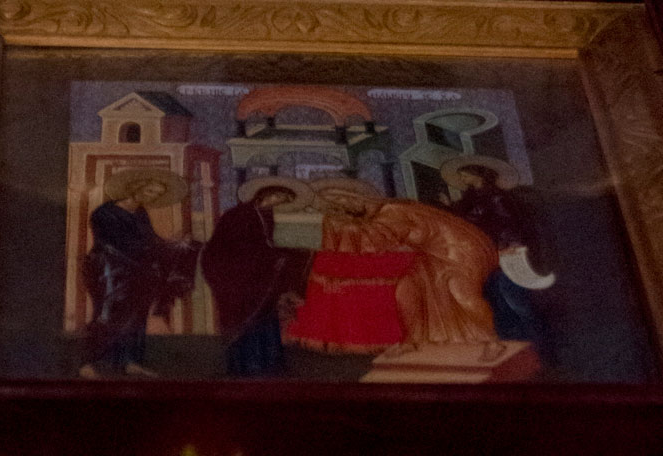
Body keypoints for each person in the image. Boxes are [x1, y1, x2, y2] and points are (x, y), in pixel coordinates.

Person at [290, 178, 498, 351]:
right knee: (405, 290)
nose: (340, 206)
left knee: (462, 294)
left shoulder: (390, 211)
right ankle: (413, 341)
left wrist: (345, 228)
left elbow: (374, 242)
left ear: (355, 196)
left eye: (341, 200)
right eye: (333, 204)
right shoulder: (378, 214)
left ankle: (492, 342)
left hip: (459, 251)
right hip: (429, 255)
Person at [80, 169, 198, 377]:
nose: (151, 196)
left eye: (156, 194)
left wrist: (173, 243)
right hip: (108, 269)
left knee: (137, 314)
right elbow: (118, 242)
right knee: (107, 313)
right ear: (137, 187)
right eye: (150, 190)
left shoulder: (140, 213)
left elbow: (150, 240)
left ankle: (130, 361)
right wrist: (156, 247)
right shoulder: (105, 213)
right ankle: (90, 363)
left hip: (135, 270)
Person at [201, 177, 314, 377]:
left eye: (284, 201)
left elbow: (264, 245)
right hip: (234, 273)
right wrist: (273, 256)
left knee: (266, 313)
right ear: (268, 194)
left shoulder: (265, 214)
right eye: (280, 197)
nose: (280, 202)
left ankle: (268, 363)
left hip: (257, 275)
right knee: (247, 316)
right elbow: (238, 248)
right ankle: (246, 365)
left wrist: (281, 254)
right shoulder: (239, 214)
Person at [444, 156, 557, 354]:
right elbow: (465, 221)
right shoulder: (470, 199)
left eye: (464, 174)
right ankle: (514, 350)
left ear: (477, 175)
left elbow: (510, 224)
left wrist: (505, 246)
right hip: (485, 257)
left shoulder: (497, 197)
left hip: (504, 254)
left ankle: (543, 347)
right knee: (496, 303)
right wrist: (450, 207)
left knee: (516, 301)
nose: (461, 178)